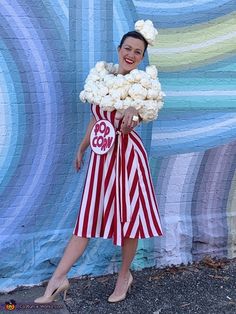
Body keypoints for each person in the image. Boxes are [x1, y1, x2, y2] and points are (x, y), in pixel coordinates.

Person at [34, 20, 163, 304]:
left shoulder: (143, 85)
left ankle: (124, 276)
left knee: (129, 220)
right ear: (119, 49)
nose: (131, 54)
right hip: (101, 158)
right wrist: (82, 147)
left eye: (137, 52)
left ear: (142, 57)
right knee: (87, 217)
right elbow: (96, 118)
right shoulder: (103, 79)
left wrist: (132, 111)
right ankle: (58, 279)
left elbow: (137, 116)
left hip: (128, 159)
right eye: (127, 48)